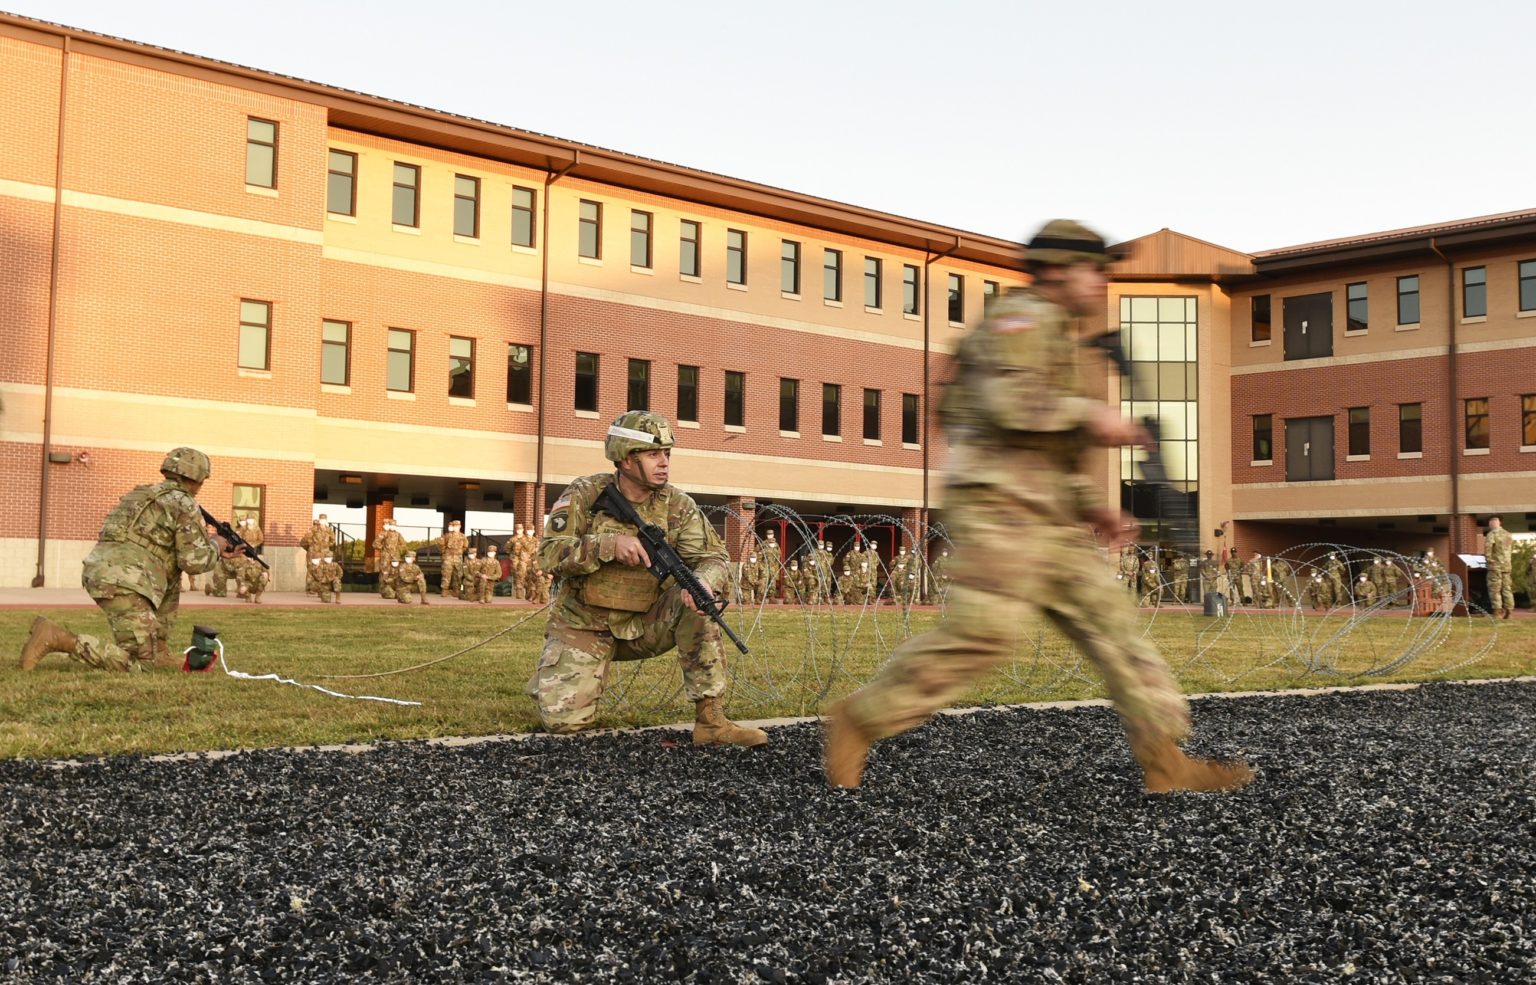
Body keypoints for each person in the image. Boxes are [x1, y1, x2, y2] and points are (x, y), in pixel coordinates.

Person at [823, 220, 1252, 793]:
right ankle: (861, 718)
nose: (1101, 282)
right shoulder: (1017, 321)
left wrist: (1091, 506)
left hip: (1047, 516)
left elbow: (1044, 453)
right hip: (998, 510)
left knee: (1116, 627)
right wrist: (1091, 415)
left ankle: (1164, 758)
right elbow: (1009, 404)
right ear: (1055, 269)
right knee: (984, 634)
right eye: (1092, 270)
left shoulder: (1059, 338)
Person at [526, 410, 766, 747]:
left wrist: (705, 581)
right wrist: (607, 545)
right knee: (563, 724)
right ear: (625, 459)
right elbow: (549, 554)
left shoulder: (678, 505)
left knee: (699, 604)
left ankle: (711, 721)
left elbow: (714, 557)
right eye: (653, 454)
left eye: (667, 454)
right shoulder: (587, 494)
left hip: (647, 623)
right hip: (584, 625)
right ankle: (559, 676)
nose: (664, 462)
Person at [20, 447, 229, 671]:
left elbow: (169, 555)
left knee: (172, 574)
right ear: (197, 478)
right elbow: (194, 562)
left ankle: (159, 651)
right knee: (138, 665)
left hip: (103, 571)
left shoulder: (142, 494)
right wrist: (217, 545)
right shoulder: (185, 503)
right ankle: (59, 638)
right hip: (128, 582)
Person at [1484, 515, 1515, 619]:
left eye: (1490, 522)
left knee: (1494, 589)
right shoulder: (1508, 534)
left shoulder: (1492, 534)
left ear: (1493, 522)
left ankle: (1497, 612)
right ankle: (1509, 612)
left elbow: (1488, 550)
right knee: (1507, 588)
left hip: (1495, 566)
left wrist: (1489, 560)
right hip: (1507, 566)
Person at [299, 515, 335, 594]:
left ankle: (321, 588)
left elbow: (332, 541)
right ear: (319, 520)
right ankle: (310, 588)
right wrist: (310, 548)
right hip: (313, 553)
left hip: (324, 553)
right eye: (321, 519)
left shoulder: (329, 530)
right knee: (312, 570)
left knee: (323, 570)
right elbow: (304, 541)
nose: (322, 521)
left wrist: (326, 546)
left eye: (324, 519)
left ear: (326, 520)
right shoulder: (313, 529)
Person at [434, 520, 468, 597]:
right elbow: (441, 547)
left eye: (457, 526)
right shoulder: (447, 535)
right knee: (446, 574)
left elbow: (465, 547)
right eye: (454, 526)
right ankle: (444, 590)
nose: (456, 527)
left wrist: (459, 552)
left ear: (460, 526)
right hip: (448, 557)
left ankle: (457, 590)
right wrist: (445, 553)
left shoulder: (463, 536)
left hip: (458, 558)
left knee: (458, 575)